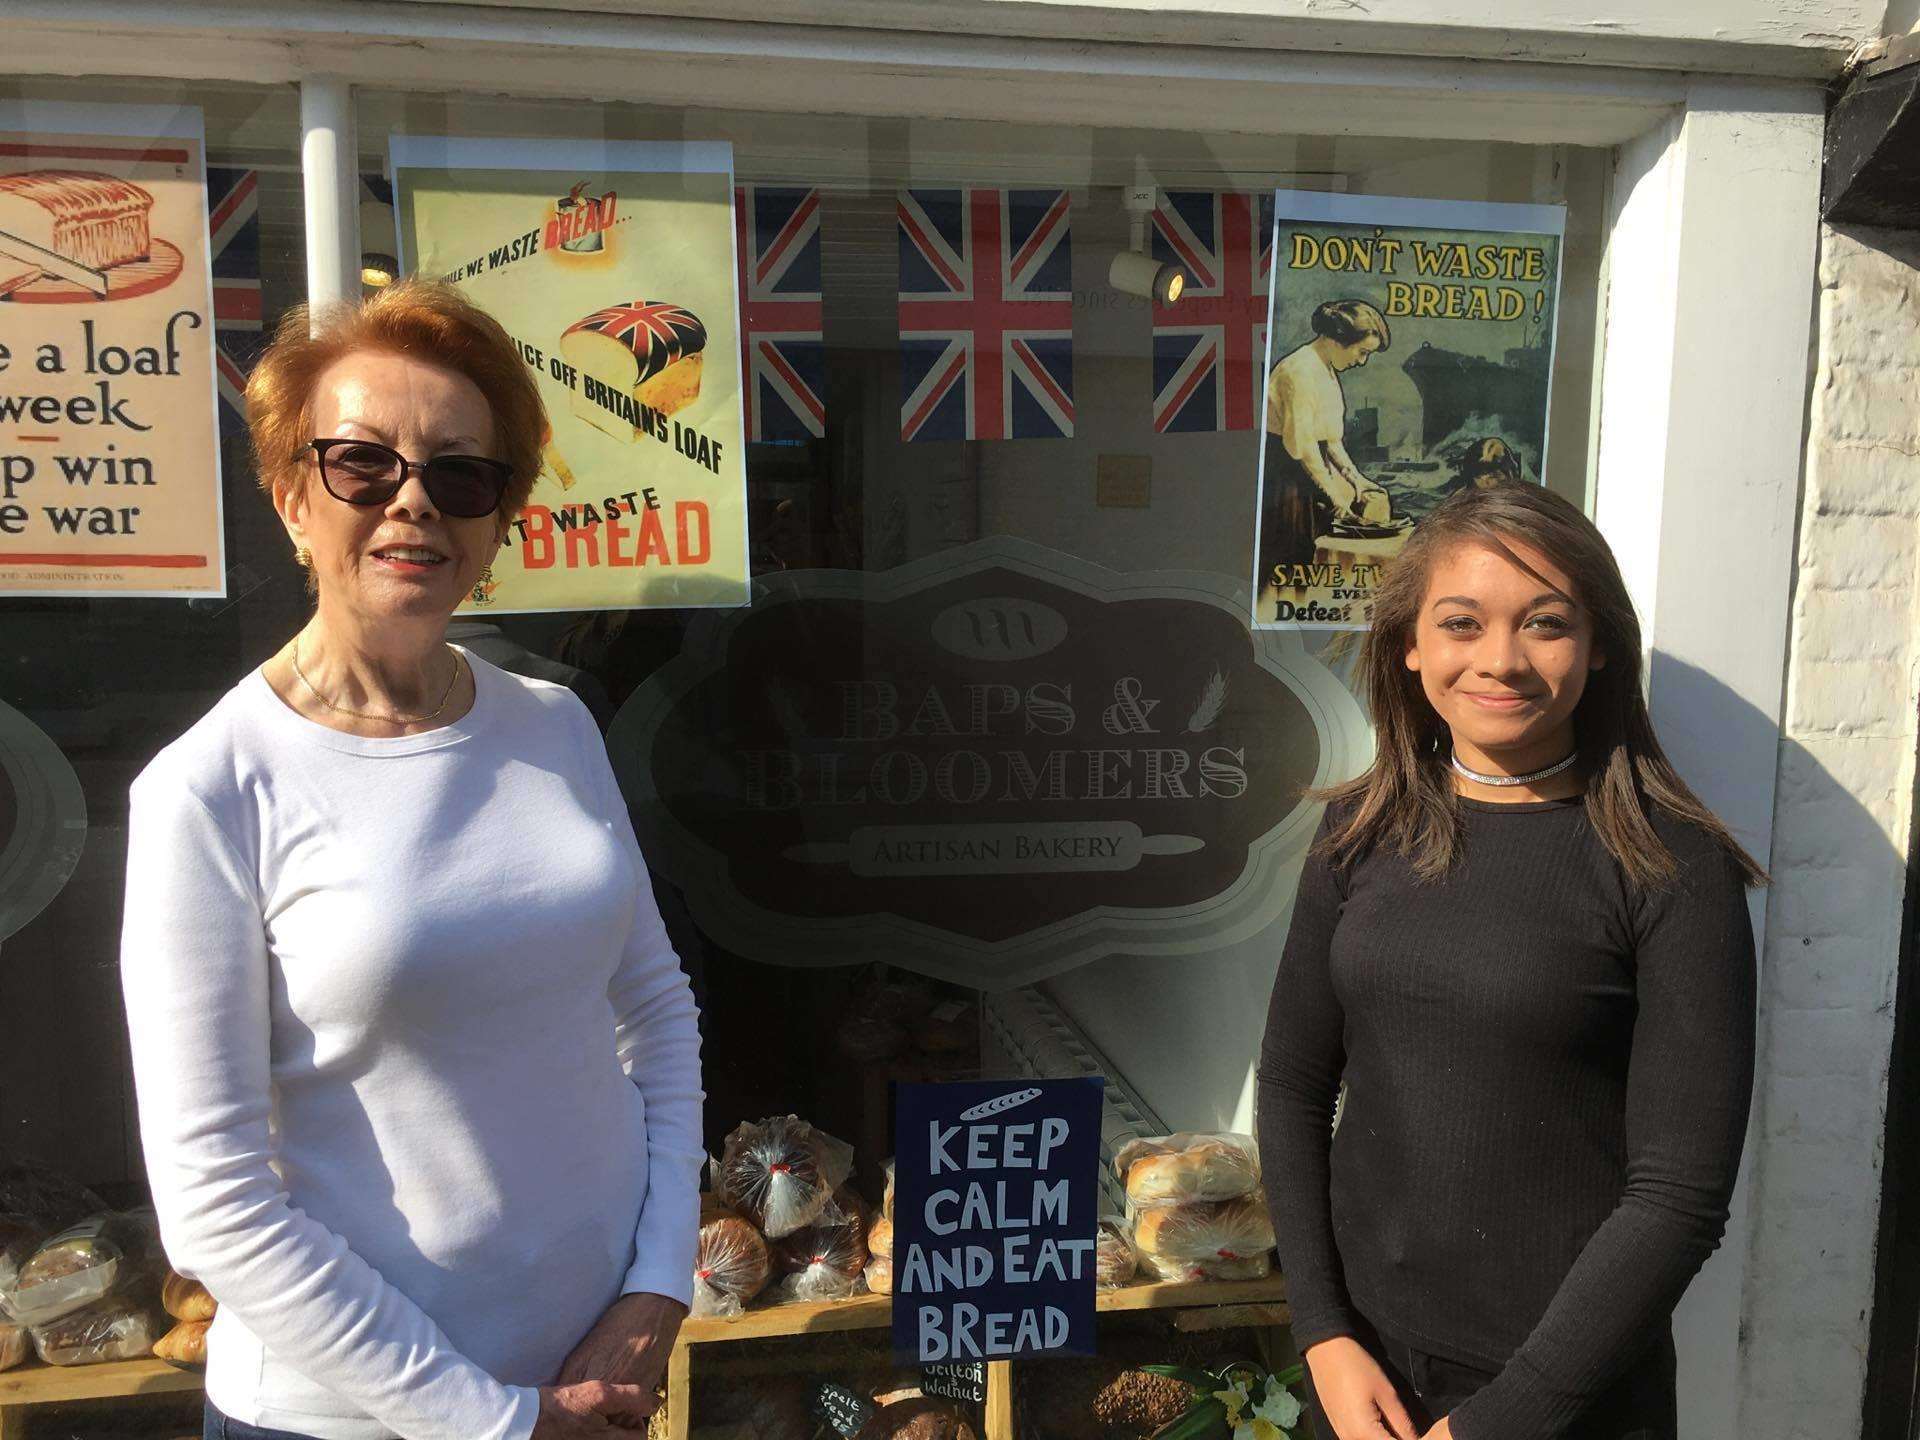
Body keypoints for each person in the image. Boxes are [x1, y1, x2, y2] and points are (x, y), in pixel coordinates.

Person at [119, 280, 704, 1440]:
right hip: (353, 1420)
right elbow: (215, 1209)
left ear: (497, 520)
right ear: (292, 498)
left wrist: (658, 1285)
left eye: (460, 474)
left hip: (600, 1374)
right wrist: (496, 1420)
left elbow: (655, 1008)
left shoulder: (555, 725)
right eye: (363, 465)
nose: (414, 504)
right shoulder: (211, 788)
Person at [1257, 481, 1763, 1440]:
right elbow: (1290, 1083)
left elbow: (1681, 1195)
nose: (1500, 660)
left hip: (1564, 1402)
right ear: (1411, 645)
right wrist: (1322, 1333)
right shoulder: (1360, 832)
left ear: (1600, 645)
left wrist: (1506, 1419)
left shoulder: (1668, 865)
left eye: (1544, 624)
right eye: (1462, 622)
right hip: (1362, 1384)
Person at [1259, 299, 1394, 611]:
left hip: (1307, 477)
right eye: (1362, 352)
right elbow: (1302, 447)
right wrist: (1335, 496)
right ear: (1336, 341)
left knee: (1305, 560)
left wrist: (1359, 481)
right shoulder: (1300, 371)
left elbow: (1331, 442)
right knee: (1286, 561)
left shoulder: (1327, 370)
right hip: (1285, 481)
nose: (1362, 361)